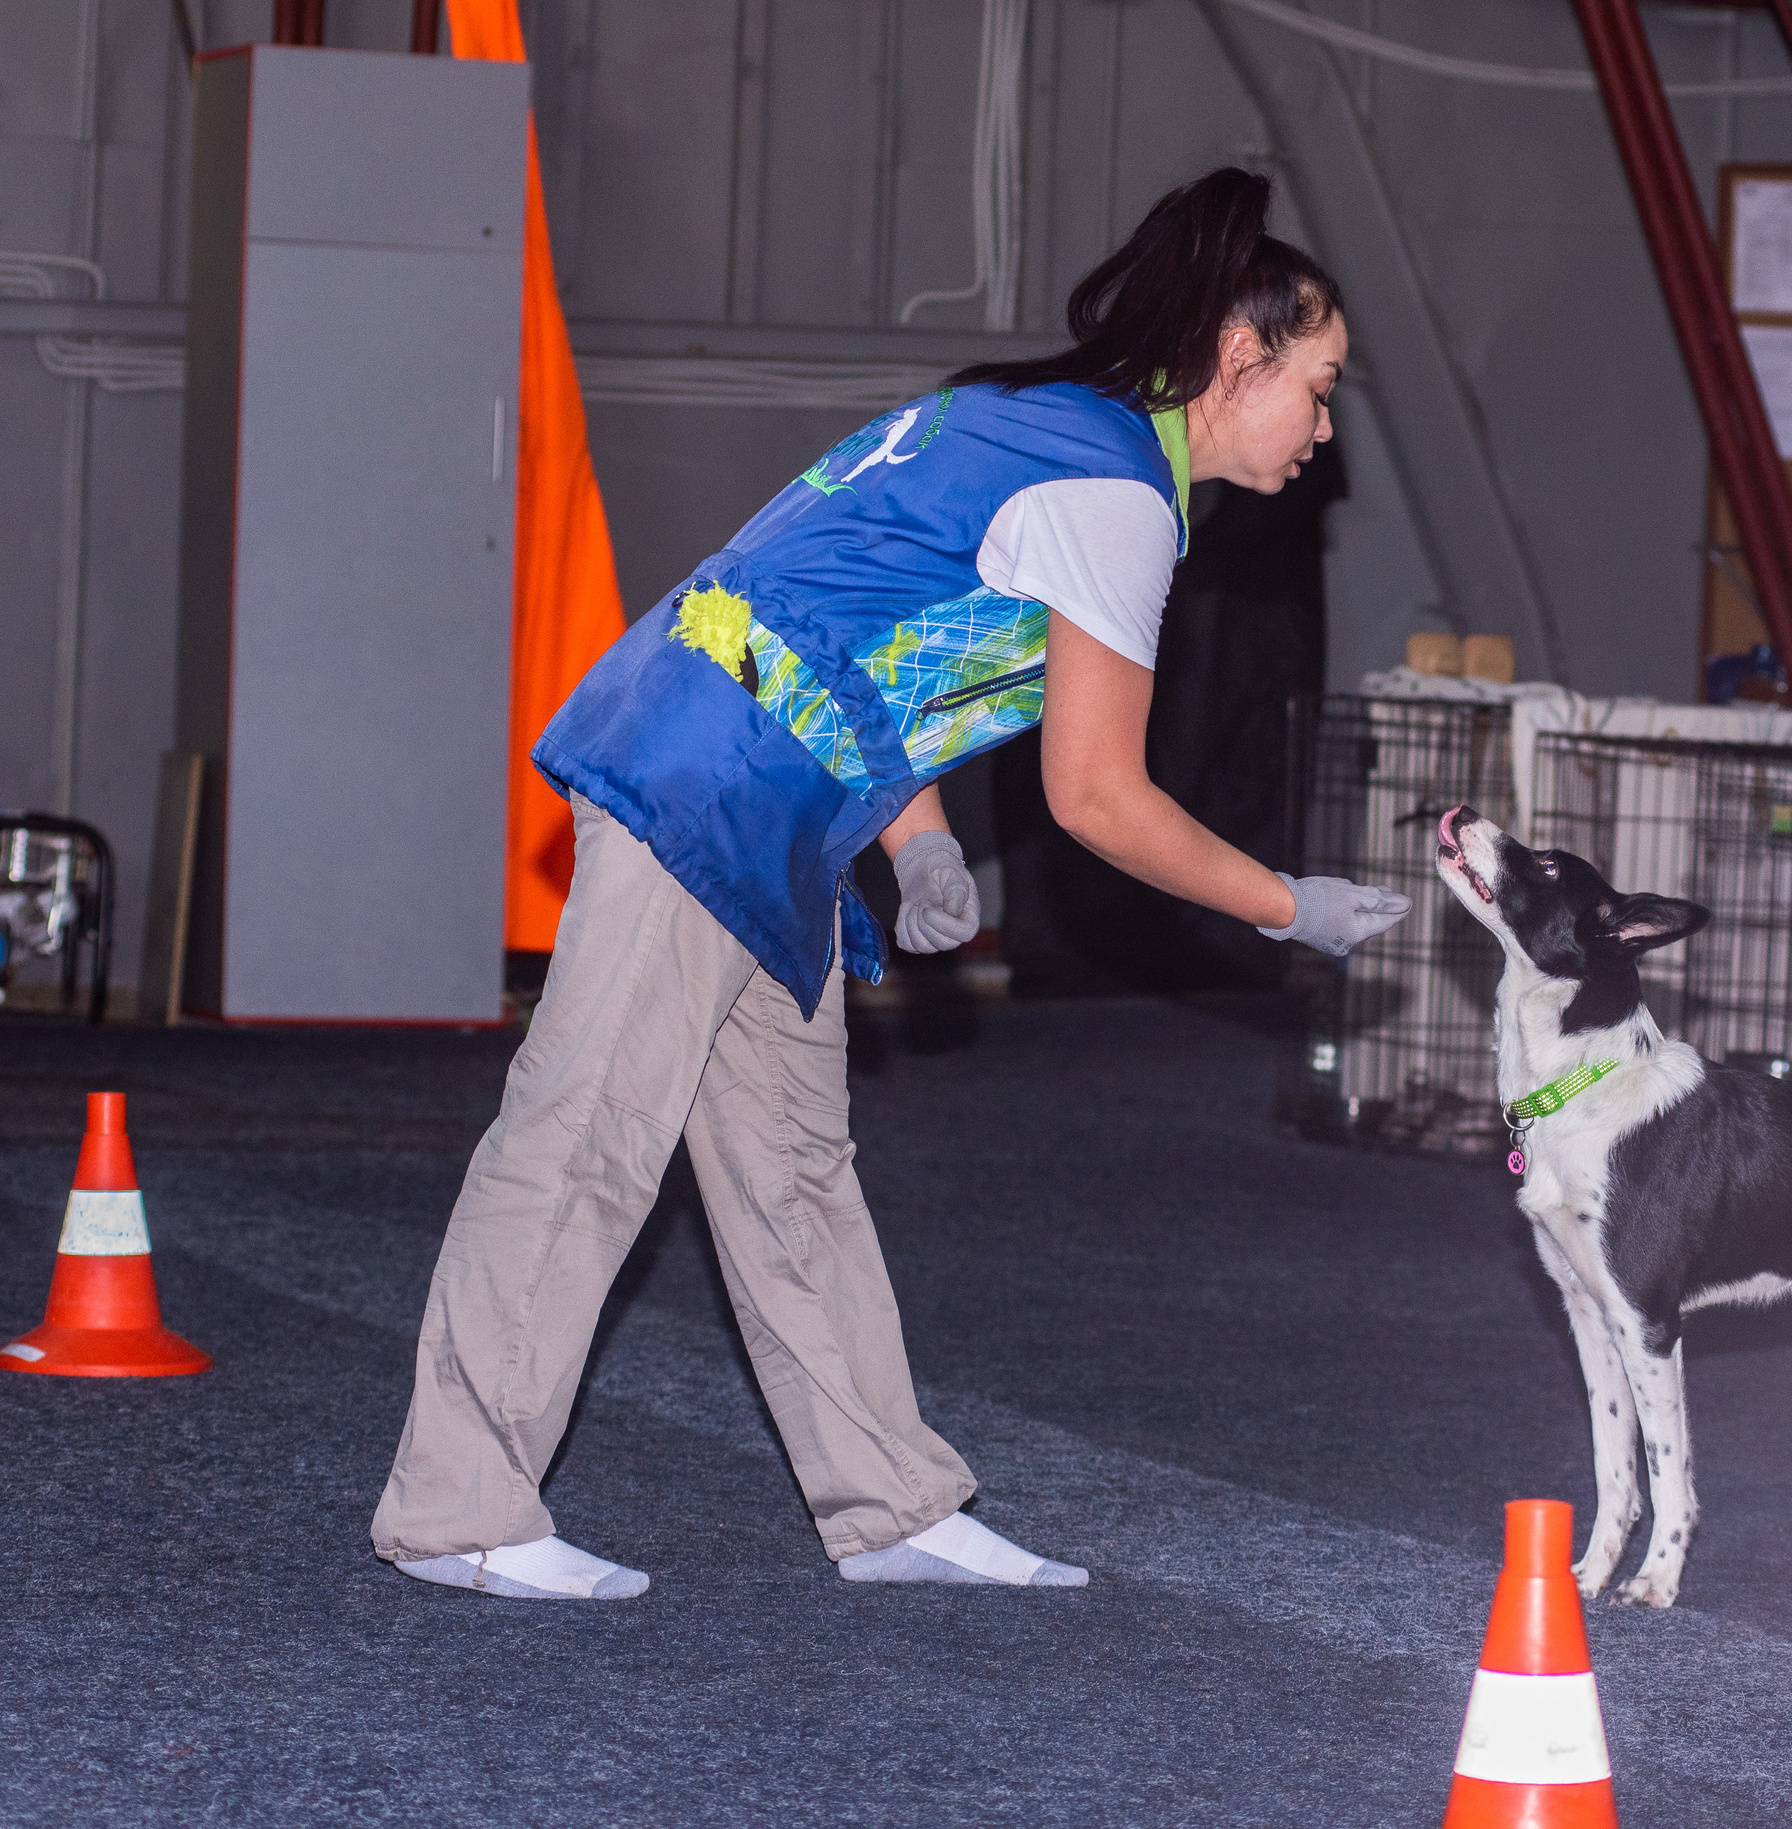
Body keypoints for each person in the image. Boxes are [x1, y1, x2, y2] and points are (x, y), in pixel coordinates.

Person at [369, 169, 1411, 1600]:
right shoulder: (1113, 494)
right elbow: (1097, 796)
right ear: (1242, 359)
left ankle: (892, 1506)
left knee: (792, 1166)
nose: (1324, 428)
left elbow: (855, 615)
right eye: (1320, 388)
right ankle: (458, 1510)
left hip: (769, 792)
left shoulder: (1038, 429)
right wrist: (1290, 905)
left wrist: (915, 840)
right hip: (712, 779)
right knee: (586, 1129)